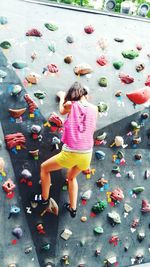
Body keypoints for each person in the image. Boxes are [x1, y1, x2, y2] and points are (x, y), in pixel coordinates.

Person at [31, 81, 98, 217]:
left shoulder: (71, 104)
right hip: (87, 155)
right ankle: (73, 208)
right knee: (71, 177)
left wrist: (62, 97)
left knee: (44, 168)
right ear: (86, 95)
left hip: (72, 153)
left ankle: (44, 199)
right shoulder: (94, 108)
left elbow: (62, 111)